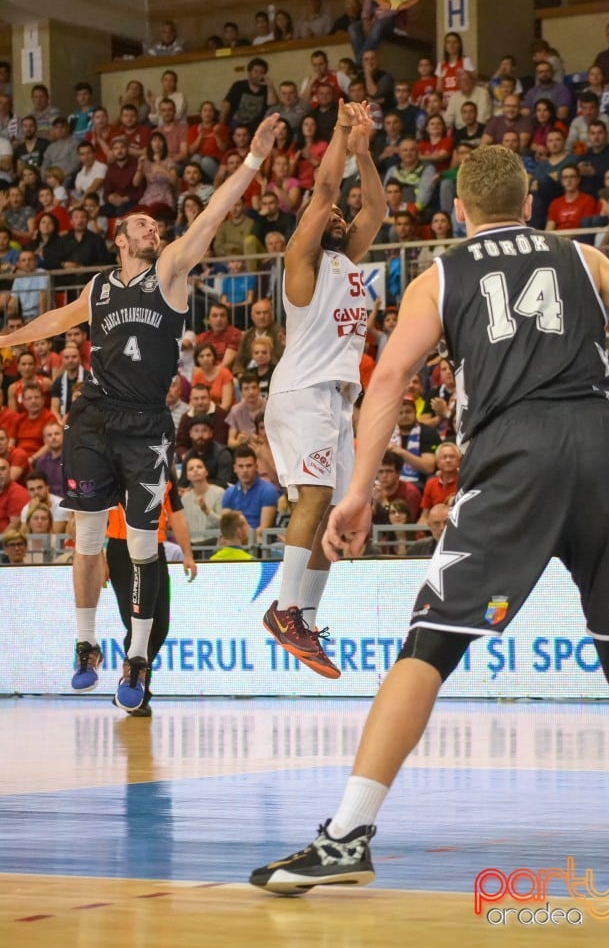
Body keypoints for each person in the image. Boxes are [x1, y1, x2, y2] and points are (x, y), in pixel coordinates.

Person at [250, 144, 609, 894]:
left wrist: (359, 490)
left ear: (459, 211)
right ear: (528, 204)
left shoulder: (443, 273)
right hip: (601, 441)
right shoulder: (579, 258)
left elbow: (391, 377)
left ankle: (346, 835)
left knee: (428, 645)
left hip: (515, 451)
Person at [0, 113, 279, 712]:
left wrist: (252, 162)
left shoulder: (170, 274)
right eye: (143, 225)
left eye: (156, 224)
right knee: (89, 537)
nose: (154, 228)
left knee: (147, 549)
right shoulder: (99, 289)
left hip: (147, 423)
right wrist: (10, 339)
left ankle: (137, 657)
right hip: (95, 415)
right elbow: (56, 321)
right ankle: (83, 646)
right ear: (120, 239)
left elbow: (209, 218)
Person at [262, 99, 385, 680]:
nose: (339, 220)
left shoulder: (345, 262)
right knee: (312, 500)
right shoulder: (302, 263)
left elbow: (377, 210)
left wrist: (365, 153)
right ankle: (283, 610)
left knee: (335, 515)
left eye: (341, 220)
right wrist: (339, 133)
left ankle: (303, 615)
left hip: (335, 399)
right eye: (330, 218)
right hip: (303, 390)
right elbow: (327, 190)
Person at [105, 473, 196, 716]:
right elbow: (94, 513)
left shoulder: (164, 469)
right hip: (119, 546)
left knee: (160, 624)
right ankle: (137, 689)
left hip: (154, 547)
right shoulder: (115, 463)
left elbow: (175, 511)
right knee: (136, 623)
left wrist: (187, 552)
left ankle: (133, 680)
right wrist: (98, 555)